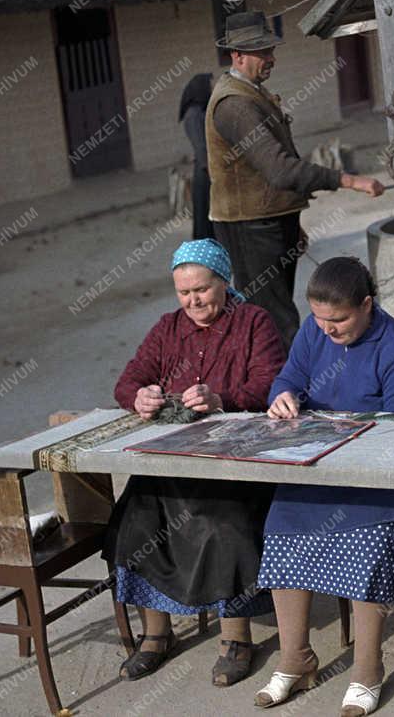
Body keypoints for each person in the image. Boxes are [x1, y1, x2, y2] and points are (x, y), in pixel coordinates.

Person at [253, 257, 394, 716]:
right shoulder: (315, 331)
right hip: (326, 470)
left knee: (367, 539)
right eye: (319, 318)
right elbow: (289, 377)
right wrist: (283, 396)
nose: (327, 330)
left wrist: (337, 441)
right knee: (282, 523)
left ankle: (368, 667)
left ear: (368, 305)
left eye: (340, 320)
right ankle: (296, 658)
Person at [103, 239, 286, 687]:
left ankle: (236, 638)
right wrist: (139, 397)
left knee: (222, 526)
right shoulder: (167, 329)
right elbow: (128, 381)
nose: (194, 301)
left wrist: (223, 399)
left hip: (237, 467)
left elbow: (269, 384)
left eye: (202, 290)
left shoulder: (253, 322)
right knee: (135, 518)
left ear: (224, 282)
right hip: (175, 463)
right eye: (184, 294)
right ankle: (155, 635)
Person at [206, 11, 386, 346]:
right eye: (262, 53)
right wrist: (348, 180)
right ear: (237, 55)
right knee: (274, 319)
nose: (270, 58)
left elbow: (268, 175)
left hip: (270, 220)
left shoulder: (252, 93)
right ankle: (284, 394)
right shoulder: (236, 105)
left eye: (270, 50)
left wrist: (292, 222)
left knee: (277, 311)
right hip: (251, 226)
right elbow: (280, 169)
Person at [179, 72, 215, 240]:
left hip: (207, 168)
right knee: (205, 218)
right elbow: (201, 147)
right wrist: (212, 172)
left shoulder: (201, 111)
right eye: (209, 86)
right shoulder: (193, 115)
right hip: (205, 171)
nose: (212, 89)